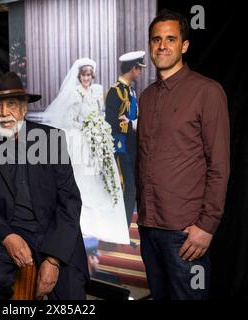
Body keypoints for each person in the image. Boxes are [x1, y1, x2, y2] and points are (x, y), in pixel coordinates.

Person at [0, 72, 89, 300]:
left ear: (23, 108)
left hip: (53, 232)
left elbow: (70, 201)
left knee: (70, 294)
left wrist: (53, 259)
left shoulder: (51, 139)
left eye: (11, 104)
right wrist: (7, 236)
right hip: (6, 232)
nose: (4, 113)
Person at [136, 9, 230, 300]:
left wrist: (206, 226)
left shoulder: (207, 91)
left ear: (184, 46)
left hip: (185, 232)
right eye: (156, 39)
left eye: (171, 39)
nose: (162, 45)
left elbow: (220, 165)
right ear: (150, 45)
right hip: (148, 228)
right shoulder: (147, 96)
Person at [39, 58, 130, 246]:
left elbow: (101, 112)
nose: (87, 78)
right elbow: (69, 119)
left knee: (100, 180)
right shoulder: (74, 93)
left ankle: (103, 225)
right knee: (83, 183)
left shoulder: (97, 91)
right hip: (81, 140)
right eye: (84, 75)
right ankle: (83, 224)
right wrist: (87, 127)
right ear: (79, 76)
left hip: (97, 141)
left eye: (89, 75)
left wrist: (99, 128)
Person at [105, 51, 146, 230]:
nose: (141, 72)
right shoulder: (115, 91)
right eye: (139, 69)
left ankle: (124, 228)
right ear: (133, 69)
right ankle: (120, 229)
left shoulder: (130, 89)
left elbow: (131, 116)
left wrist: (132, 122)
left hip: (131, 145)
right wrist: (131, 124)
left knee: (132, 188)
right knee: (125, 187)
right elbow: (111, 122)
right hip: (120, 148)